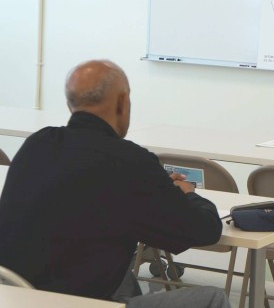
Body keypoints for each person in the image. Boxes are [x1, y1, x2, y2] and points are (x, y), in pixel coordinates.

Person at [0, 60, 230, 308]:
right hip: (79, 302)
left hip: (16, 296)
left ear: (70, 104)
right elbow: (203, 231)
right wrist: (187, 195)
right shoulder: (130, 161)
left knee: (122, 275)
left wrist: (158, 190)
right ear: (123, 101)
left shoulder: (37, 144)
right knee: (213, 298)